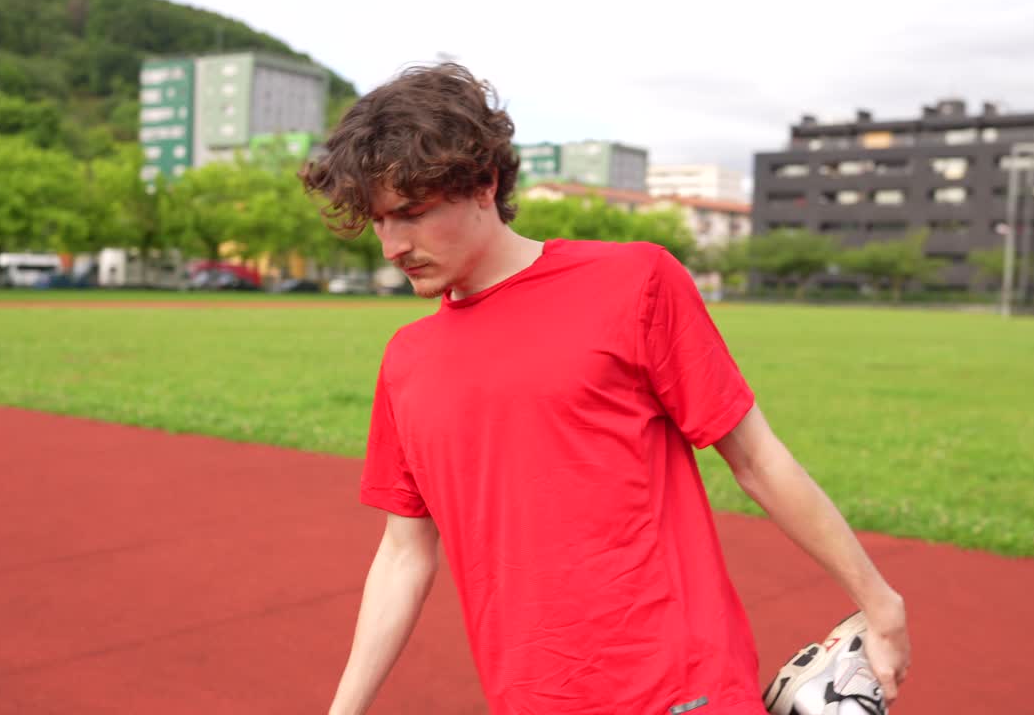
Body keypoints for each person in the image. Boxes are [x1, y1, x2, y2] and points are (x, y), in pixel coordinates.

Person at [301, 63, 910, 715]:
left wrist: (882, 605)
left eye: (411, 214)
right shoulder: (407, 361)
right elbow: (403, 554)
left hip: (681, 687)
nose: (392, 246)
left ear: (483, 183)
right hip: (530, 700)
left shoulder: (634, 282)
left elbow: (757, 459)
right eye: (379, 221)